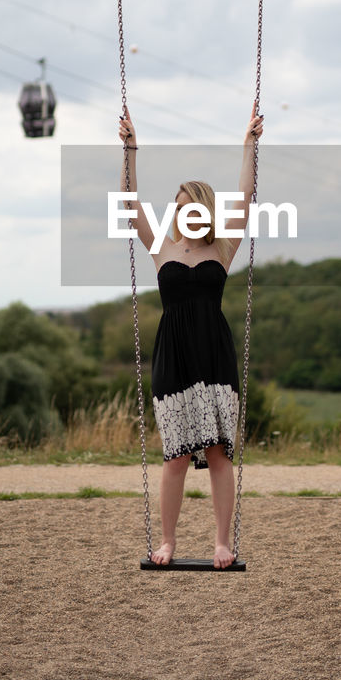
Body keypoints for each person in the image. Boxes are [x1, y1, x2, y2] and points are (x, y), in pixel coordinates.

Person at [118, 104, 264, 568]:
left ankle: (222, 542)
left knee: (219, 453)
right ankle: (168, 543)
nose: (183, 215)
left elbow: (246, 195)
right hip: (173, 355)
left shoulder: (224, 246)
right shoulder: (161, 246)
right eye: (178, 208)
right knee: (175, 457)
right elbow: (127, 201)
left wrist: (248, 146)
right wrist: (130, 150)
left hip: (214, 355)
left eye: (190, 208)